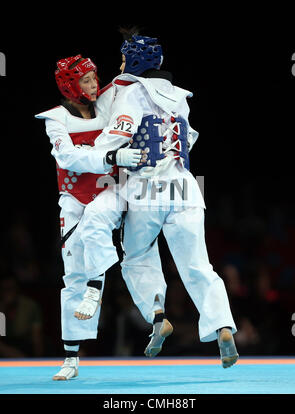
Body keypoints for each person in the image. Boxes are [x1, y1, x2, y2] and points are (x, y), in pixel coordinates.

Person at [75, 28, 239, 368]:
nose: (120, 65)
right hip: (186, 187)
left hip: (148, 188)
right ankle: (223, 325)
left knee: (136, 256)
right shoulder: (181, 96)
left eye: (123, 59)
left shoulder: (129, 94)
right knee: (197, 264)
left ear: (133, 62)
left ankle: (157, 315)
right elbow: (188, 139)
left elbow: (115, 135)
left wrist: (93, 152)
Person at [35, 54, 143, 380]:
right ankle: (70, 358)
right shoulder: (55, 118)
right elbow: (66, 156)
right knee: (72, 275)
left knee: (98, 224)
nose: (94, 85)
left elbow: (131, 83)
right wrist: (111, 154)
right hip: (72, 197)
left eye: (95, 78)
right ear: (70, 86)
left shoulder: (107, 103)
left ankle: (98, 287)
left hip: (111, 190)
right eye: (85, 80)